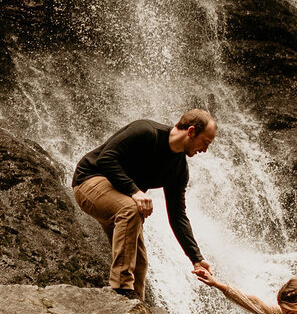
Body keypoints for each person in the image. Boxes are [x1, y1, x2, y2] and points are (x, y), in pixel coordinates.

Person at [70, 110, 216, 299]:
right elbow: (106, 158)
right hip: (89, 181)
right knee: (131, 209)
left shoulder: (179, 169)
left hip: (119, 198)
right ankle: (121, 289)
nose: (205, 150)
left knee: (139, 261)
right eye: (205, 142)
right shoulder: (146, 131)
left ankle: (136, 307)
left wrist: (196, 259)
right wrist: (134, 191)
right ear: (191, 131)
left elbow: (178, 216)